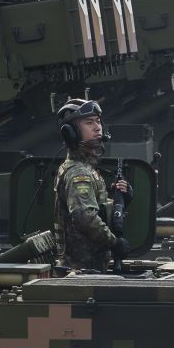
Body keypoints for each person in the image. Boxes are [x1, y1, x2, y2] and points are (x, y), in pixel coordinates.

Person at [54, 99, 131, 271]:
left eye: (98, 121)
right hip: (80, 271)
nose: (97, 127)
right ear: (71, 133)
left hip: (89, 269)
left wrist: (119, 201)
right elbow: (84, 217)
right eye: (89, 123)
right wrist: (114, 242)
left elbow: (94, 212)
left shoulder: (87, 169)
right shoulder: (79, 173)